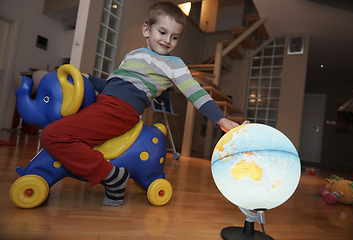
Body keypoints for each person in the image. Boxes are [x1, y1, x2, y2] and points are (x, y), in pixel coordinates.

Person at [41, 1, 239, 207]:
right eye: (162, 32)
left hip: (120, 110)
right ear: (147, 30)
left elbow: (196, 93)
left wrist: (221, 119)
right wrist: (88, 78)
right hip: (104, 101)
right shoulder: (132, 55)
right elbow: (112, 84)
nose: (167, 40)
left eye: (174, 37)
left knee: (52, 134)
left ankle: (111, 176)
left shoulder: (174, 65)